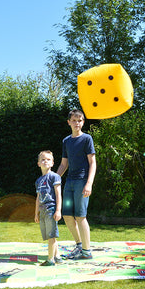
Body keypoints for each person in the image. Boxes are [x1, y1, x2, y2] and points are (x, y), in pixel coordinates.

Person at [57, 109, 96, 260]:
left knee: (80, 217)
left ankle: (87, 252)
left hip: (82, 182)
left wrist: (89, 184)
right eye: (74, 120)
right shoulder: (66, 141)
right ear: (69, 122)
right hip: (69, 183)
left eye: (79, 120)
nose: (76, 123)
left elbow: (93, 163)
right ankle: (80, 245)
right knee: (67, 216)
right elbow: (63, 164)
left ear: (83, 122)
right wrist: (53, 178)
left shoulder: (87, 139)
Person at [34, 150, 63, 266]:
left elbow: (58, 194)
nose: (46, 161)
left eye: (48, 159)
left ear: (52, 163)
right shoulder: (38, 181)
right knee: (50, 235)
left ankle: (50, 260)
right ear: (39, 163)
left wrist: (58, 210)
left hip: (51, 209)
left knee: (51, 236)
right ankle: (57, 256)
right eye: (43, 159)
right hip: (43, 211)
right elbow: (38, 198)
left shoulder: (54, 177)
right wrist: (36, 213)